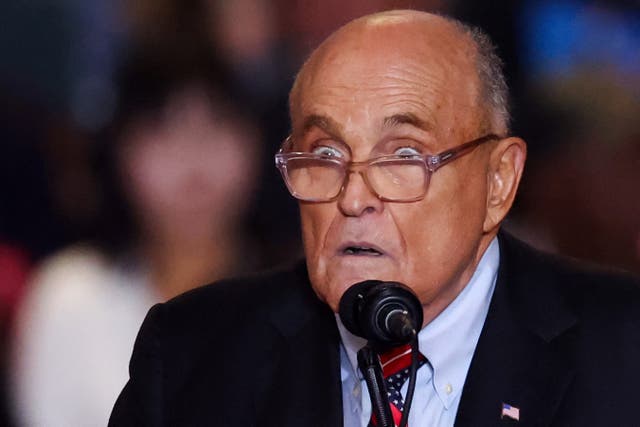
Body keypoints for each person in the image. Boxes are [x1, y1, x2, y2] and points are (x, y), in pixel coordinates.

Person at [109, 10, 640, 427]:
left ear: (499, 180)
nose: (353, 198)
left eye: (403, 157)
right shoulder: (191, 357)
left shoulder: (623, 352)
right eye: (324, 156)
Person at [10, 47, 260, 427]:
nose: (193, 162)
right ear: (119, 152)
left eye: (217, 124)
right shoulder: (71, 295)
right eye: (163, 130)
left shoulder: (300, 292)